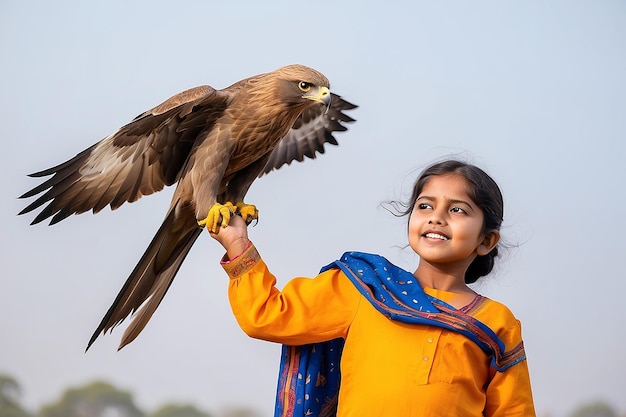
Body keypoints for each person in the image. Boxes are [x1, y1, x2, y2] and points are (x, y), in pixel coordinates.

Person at [209, 160, 536, 417]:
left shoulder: (496, 322)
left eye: (457, 210)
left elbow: (513, 411)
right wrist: (238, 244)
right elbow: (267, 317)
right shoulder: (364, 287)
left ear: (486, 240)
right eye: (425, 206)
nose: (437, 217)